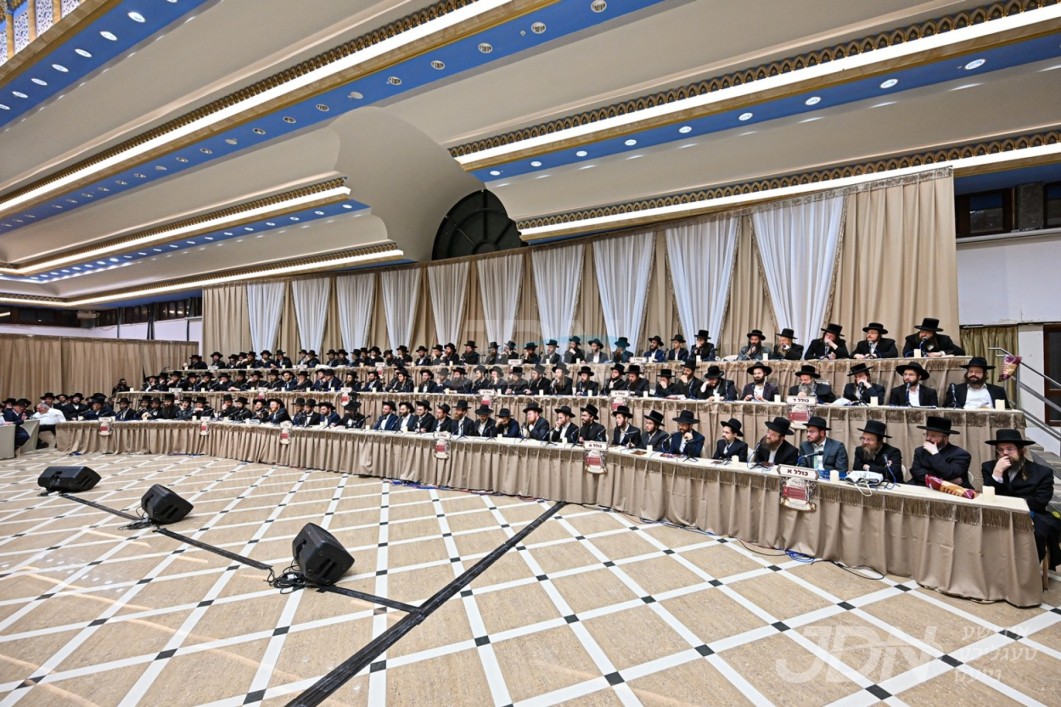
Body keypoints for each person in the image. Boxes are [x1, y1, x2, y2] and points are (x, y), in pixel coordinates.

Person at [981, 429, 1060, 568]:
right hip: (997, 513)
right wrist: (997, 473)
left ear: (1022, 450)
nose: (1005, 453)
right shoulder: (989, 467)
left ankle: (1027, 571)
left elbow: (1040, 501)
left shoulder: (1042, 472)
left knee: (1036, 534)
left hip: (1032, 514)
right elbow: (988, 497)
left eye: (1010, 449)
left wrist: (1011, 504)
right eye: (1000, 450)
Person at [909, 416, 972, 488]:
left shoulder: (961, 454)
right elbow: (916, 473)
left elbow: (950, 474)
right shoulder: (920, 451)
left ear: (945, 438)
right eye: (927, 434)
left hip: (950, 490)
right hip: (922, 486)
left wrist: (935, 453)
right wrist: (943, 481)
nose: (928, 438)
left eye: (933, 436)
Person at [943, 356, 1009, 410]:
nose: (973, 374)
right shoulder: (956, 390)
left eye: (978, 372)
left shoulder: (998, 391)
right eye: (970, 371)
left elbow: (1007, 412)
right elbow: (946, 411)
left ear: (985, 374)